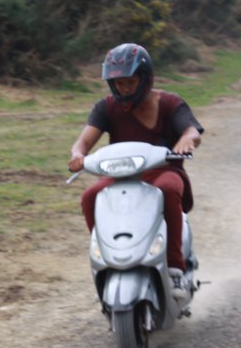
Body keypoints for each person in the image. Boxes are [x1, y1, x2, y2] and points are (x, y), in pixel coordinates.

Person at [68, 43, 204, 299]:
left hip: (163, 171)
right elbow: (83, 141)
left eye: (130, 82)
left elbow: (191, 130)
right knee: (89, 197)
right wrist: (78, 155)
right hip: (120, 174)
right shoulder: (106, 107)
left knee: (167, 189)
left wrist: (187, 140)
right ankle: (107, 260)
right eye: (118, 84)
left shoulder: (170, 103)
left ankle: (175, 266)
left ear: (145, 78)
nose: (124, 89)